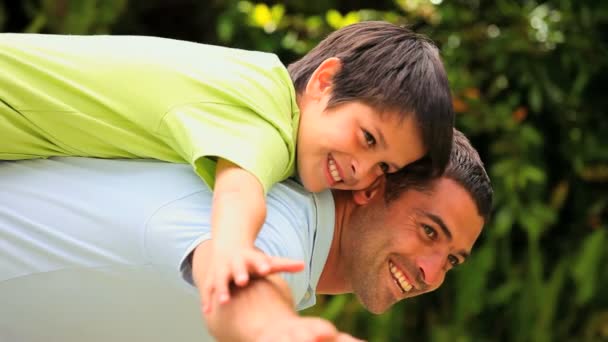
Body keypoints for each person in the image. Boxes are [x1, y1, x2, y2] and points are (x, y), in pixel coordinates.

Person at [0, 21, 455, 309]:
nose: (361, 170)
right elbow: (240, 191)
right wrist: (235, 249)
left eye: (384, 167)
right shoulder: (267, 115)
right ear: (324, 81)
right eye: (367, 138)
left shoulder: (255, 79)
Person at [0, 130, 490, 341]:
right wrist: (282, 333)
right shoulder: (276, 218)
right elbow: (236, 277)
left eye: (452, 260)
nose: (430, 271)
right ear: (373, 187)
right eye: (429, 231)